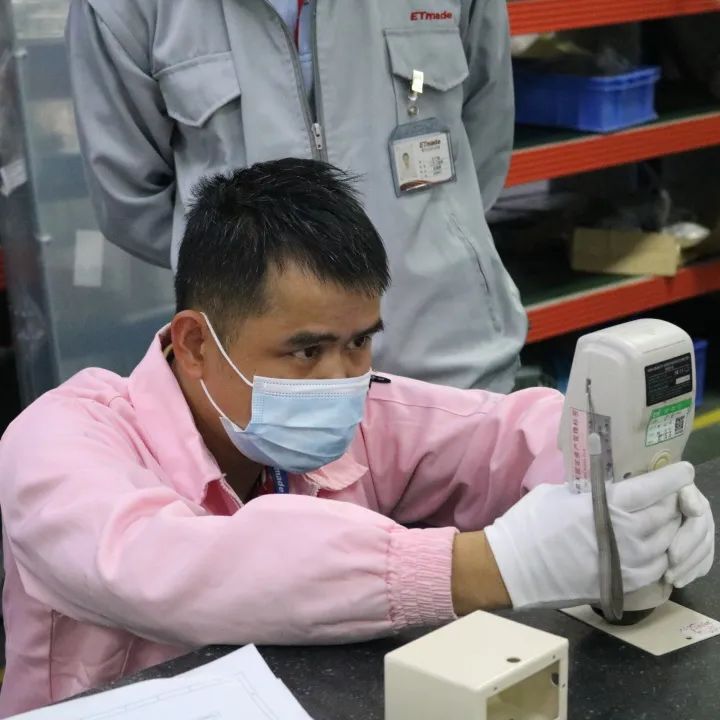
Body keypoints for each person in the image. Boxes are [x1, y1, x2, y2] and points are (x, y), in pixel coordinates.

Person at [0, 160, 713, 716]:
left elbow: (506, 432)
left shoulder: (354, 410)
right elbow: (172, 567)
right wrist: (490, 565)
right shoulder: (58, 444)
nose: (342, 379)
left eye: (360, 342)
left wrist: (630, 495)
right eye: (306, 350)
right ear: (194, 344)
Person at [65, 0, 526, 392]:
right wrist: (251, 273)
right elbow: (132, 199)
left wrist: (439, 237)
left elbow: (482, 139)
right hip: (267, 395)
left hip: (451, 367)